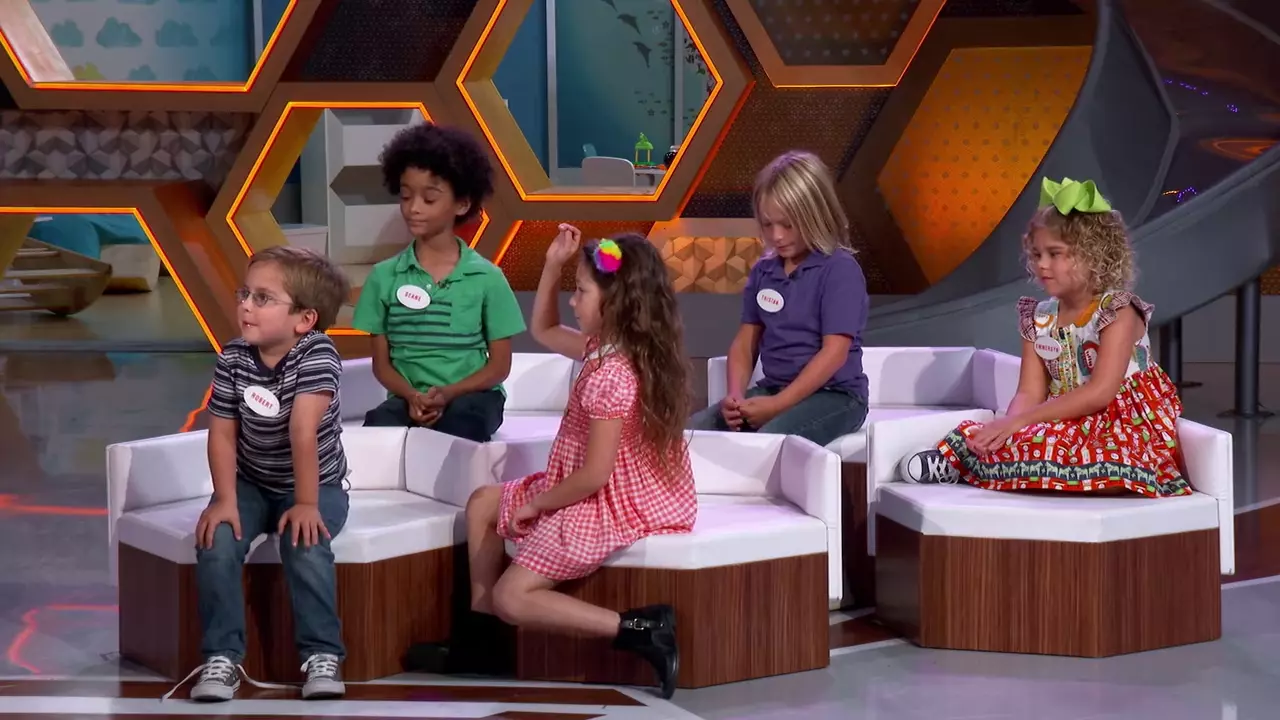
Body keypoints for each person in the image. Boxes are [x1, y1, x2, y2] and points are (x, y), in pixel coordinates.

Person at [405, 226, 696, 699]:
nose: (573, 302)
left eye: (580, 292)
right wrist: (551, 266)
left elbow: (596, 475)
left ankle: (640, 629)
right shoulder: (605, 348)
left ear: (616, 302)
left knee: (512, 596)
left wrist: (537, 504)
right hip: (587, 481)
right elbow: (542, 329)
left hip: (608, 499)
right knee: (482, 503)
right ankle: (483, 647)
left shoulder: (613, 375)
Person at [897, 177, 1191, 498]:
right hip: (1064, 419)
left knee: (1103, 462)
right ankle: (969, 462)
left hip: (1120, 426)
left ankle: (982, 469)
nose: (1042, 265)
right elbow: (1029, 392)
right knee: (1000, 438)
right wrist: (1007, 430)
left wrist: (1020, 422)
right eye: (1036, 254)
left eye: (1055, 253)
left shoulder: (1117, 311)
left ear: (1093, 255)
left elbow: (1100, 393)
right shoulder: (1039, 318)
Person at [183, 245, 352, 702]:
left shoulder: (317, 355)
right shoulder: (234, 357)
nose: (246, 306)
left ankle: (323, 654)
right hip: (252, 483)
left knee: (305, 543)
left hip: (316, 486)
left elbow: (302, 432)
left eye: (263, 298)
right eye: (245, 294)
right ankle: (222, 658)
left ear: (305, 319)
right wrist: (225, 499)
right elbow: (221, 433)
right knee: (217, 539)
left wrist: (307, 504)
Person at [352, 122, 526, 441]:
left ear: (462, 203)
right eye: (406, 196)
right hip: (409, 399)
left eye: (429, 199)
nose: (413, 208)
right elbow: (382, 365)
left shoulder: (488, 278)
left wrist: (449, 393)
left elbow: (499, 367)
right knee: (377, 428)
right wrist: (412, 396)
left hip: (474, 398)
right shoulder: (384, 277)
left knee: (460, 425)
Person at [688, 150, 870, 446]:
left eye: (787, 225)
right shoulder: (764, 271)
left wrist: (778, 405)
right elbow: (745, 342)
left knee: (769, 441)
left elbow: (834, 353)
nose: (777, 236)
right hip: (774, 389)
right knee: (695, 431)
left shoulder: (839, 270)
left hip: (836, 396)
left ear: (814, 216)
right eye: (768, 224)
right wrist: (735, 396)